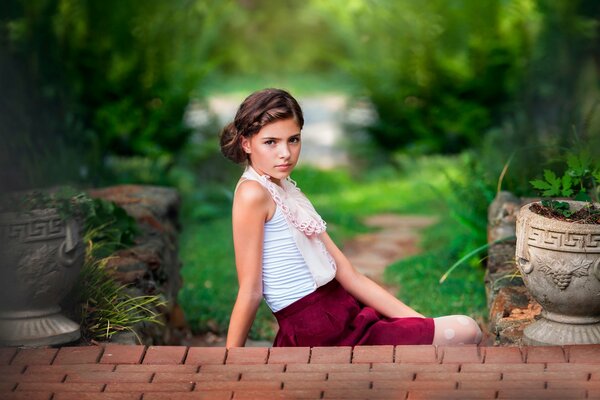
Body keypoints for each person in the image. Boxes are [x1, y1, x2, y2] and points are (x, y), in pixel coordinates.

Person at [219, 88, 483, 348]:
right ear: (246, 143)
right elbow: (250, 290)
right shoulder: (252, 193)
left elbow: (348, 274)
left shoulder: (284, 188)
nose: (285, 153)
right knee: (467, 329)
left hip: (344, 313)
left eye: (294, 139)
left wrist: (421, 323)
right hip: (321, 333)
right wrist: (229, 363)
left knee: (451, 332)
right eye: (271, 142)